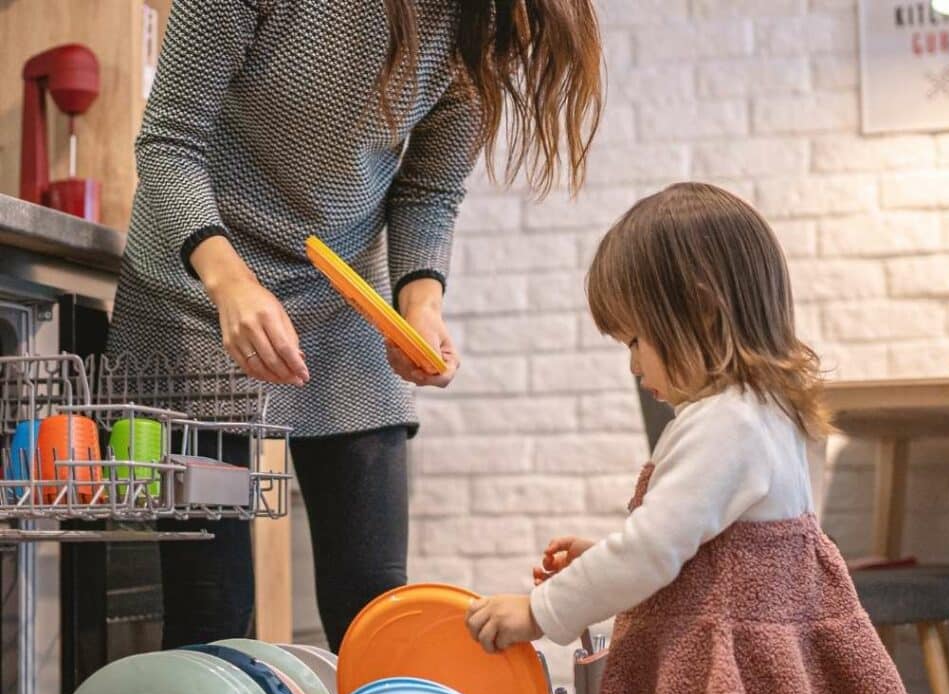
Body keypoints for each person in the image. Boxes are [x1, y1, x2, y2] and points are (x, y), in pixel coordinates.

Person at [465, 183, 915, 694]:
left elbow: (656, 551)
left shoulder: (720, 425)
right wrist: (601, 553)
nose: (632, 362)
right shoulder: (768, 417)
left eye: (635, 337)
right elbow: (705, 552)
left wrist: (539, 612)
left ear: (699, 312)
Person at [107, 0, 603, 658]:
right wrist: (229, 282)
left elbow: (429, 189)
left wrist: (419, 305)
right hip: (195, 286)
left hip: (343, 296)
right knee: (212, 605)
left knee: (373, 602)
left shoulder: (479, 24)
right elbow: (170, 143)